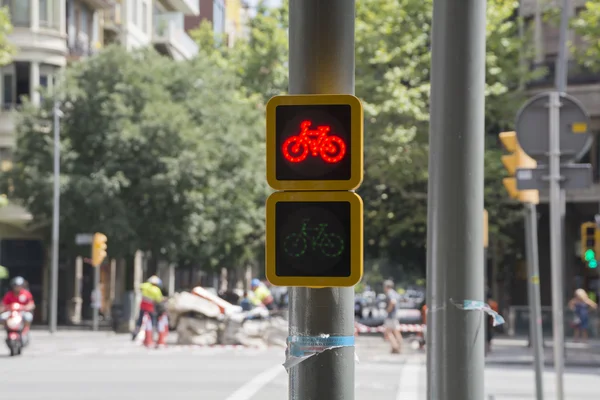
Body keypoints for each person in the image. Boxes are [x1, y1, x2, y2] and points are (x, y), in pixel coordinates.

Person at [0, 276, 35, 344]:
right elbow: (3, 304)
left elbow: (31, 304)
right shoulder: (9, 294)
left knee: (28, 317)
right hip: (11, 313)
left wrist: (26, 307)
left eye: (19, 286)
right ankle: (8, 329)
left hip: (22, 312)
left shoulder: (26, 294)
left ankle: (24, 331)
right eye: (16, 286)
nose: (17, 287)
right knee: (2, 317)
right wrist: (4, 308)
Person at [132, 275, 164, 340]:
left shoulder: (146, 285)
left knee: (140, 320)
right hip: (150, 307)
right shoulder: (156, 290)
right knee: (153, 320)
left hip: (143, 305)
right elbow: (159, 300)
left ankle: (135, 333)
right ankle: (152, 334)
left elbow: (140, 287)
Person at [383, 280, 403, 354]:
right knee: (396, 331)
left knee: (388, 332)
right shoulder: (395, 293)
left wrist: (388, 310)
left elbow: (393, 301)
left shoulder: (390, 293)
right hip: (395, 315)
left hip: (391, 316)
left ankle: (395, 346)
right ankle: (398, 346)